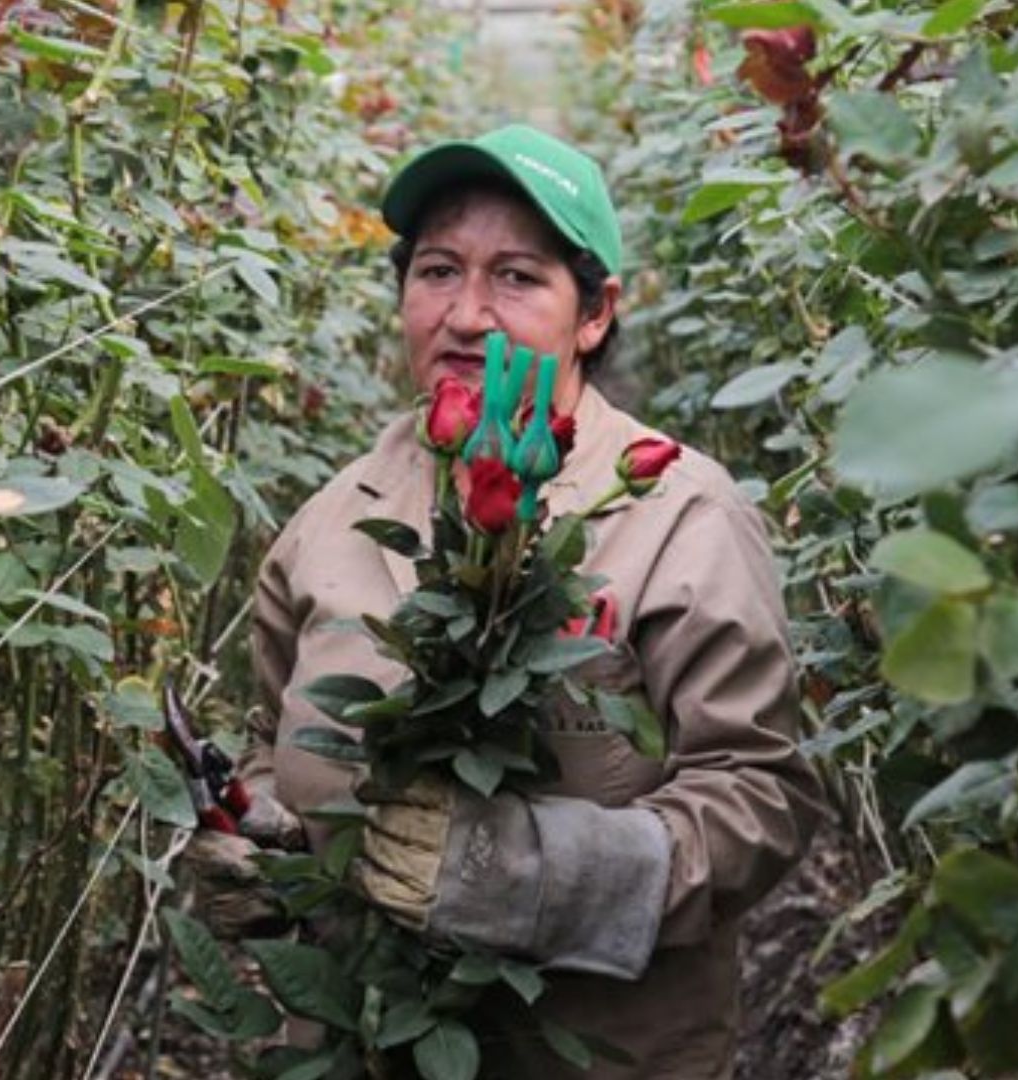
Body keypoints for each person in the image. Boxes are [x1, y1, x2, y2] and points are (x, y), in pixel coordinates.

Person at [194, 124, 825, 1079]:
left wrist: (528, 876)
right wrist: (269, 842)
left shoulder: (681, 518)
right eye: (438, 271)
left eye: (518, 278)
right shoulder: (335, 519)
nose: (467, 314)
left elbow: (761, 795)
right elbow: (270, 736)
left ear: (595, 314)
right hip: (360, 1045)